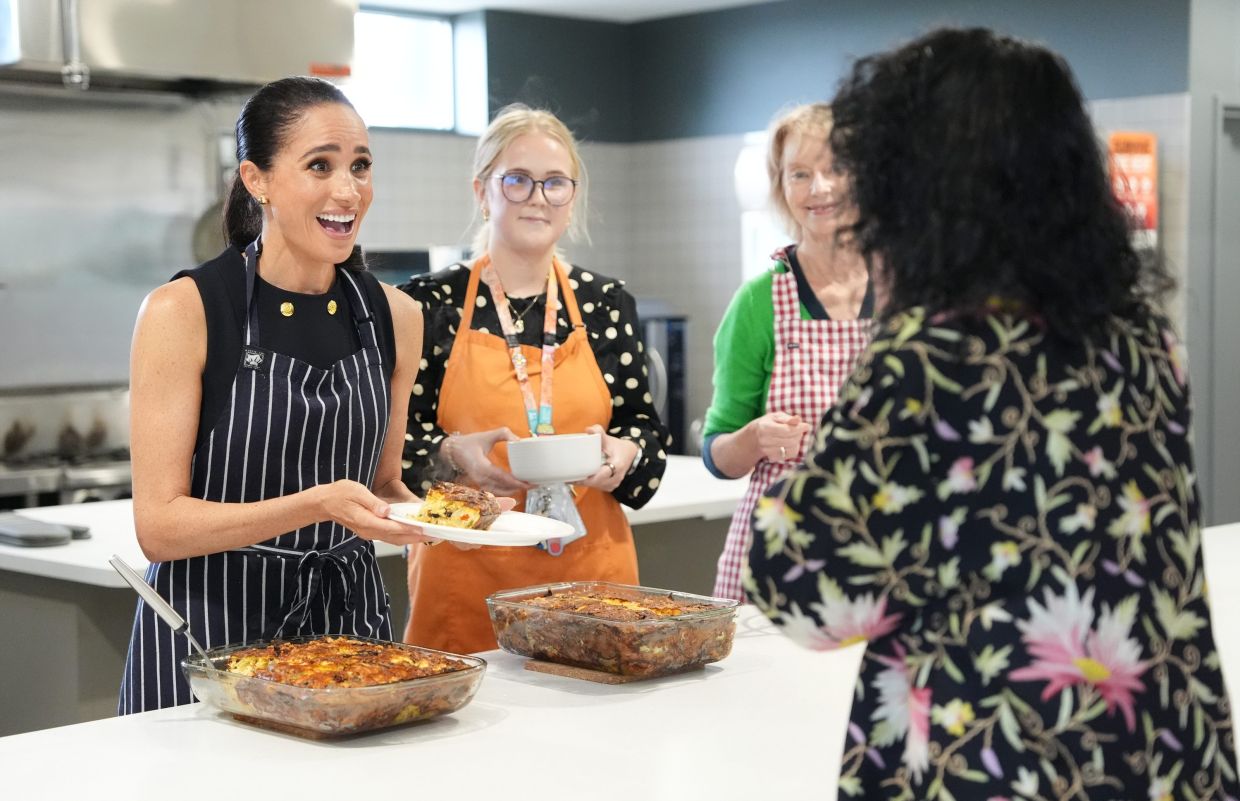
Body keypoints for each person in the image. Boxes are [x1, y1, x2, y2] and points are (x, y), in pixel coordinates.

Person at [745, 28, 1238, 799]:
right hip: (1159, 746)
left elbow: (807, 590)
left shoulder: (932, 354)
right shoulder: (1143, 342)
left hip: (995, 752)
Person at [119, 76, 432, 713]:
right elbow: (159, 527)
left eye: (360, 166)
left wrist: (434, 518)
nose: (348, 190)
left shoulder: (396, 316)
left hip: (346, 636)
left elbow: (385, 481)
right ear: (257, 180)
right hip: (206, 641)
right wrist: (315, 505)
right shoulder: (186, 312)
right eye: (320, 165)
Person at [399, 104, 670, 654]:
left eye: (554, 184)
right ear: (483, 192)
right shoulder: (428, 304)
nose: (537, 198)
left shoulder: (604, 303)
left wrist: (623, 454)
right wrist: (453, 453)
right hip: (466, 576)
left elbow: (643, 427)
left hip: (593, 575)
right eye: (517, 181)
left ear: (573, 199)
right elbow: (388, 447)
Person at [704, 102, 873, 601]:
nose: (820, 188)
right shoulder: (759, 302)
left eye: (836, 169)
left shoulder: (909, 290)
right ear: (781, 190)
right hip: (783, 549)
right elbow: (717, 450)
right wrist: (753, 439)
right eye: (800, 174)